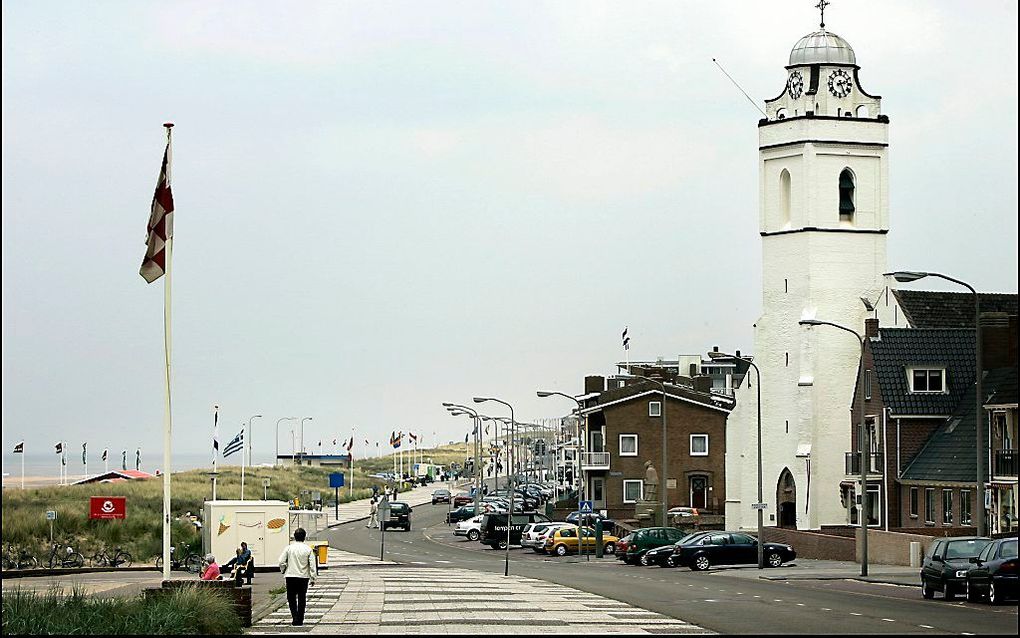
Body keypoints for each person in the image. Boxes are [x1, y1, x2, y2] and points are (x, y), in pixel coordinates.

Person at [278, 527, 317, 626]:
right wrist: (313, 578)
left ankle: (294, 617)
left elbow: (281, 561)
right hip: (303, 577)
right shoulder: (308, 549)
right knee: (302, 597)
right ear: (304, 537)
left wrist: (283, 570)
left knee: (291, 598)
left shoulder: (289, 548)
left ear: (294, 537)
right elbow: (312, 565)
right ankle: (300, 619)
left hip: (290, 576)